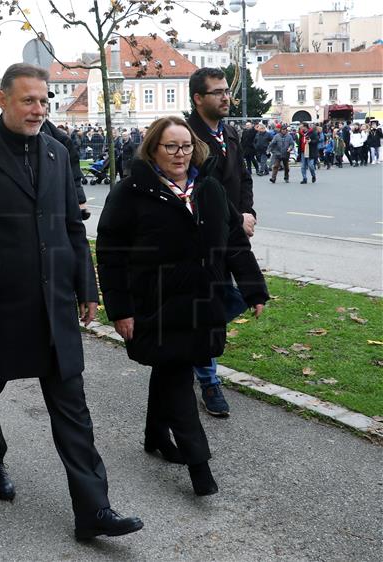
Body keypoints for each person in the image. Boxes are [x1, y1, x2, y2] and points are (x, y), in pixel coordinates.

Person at [0, 62, 144, 541]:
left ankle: (94, 510)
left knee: (73, 408)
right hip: (1, 307)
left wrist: (87, 288)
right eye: (28, 100)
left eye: (44, 100)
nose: (38, 109)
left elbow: (73, 227)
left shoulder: (58, 154)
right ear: (2, 100)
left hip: (54, 305)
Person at [96, 116, 268, 496]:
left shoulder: (209, 189)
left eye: (186, 146)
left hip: (202, 300)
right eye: (171, 146)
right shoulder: (131, 192)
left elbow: (235, 241)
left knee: (172, 365)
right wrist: (120, 309)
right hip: (155, 303)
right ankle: (199, 464)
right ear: (153, 149)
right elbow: (110, 254)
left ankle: (155, 434)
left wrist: (253, 289)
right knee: (176, 374)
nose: (180, 154)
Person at [187, 67, 256, 416]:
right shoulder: (186, 135)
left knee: (240, 294)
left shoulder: (229, 132)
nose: (226, 97)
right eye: (217, 92)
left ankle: (193, 349)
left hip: (234, 232)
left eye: (226, 91)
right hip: (203, 235)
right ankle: (208, 379)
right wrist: (235, 216)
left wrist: (248, 211)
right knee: (209, 306)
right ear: (199, 98)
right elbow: (203, 185)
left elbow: (243, 177)